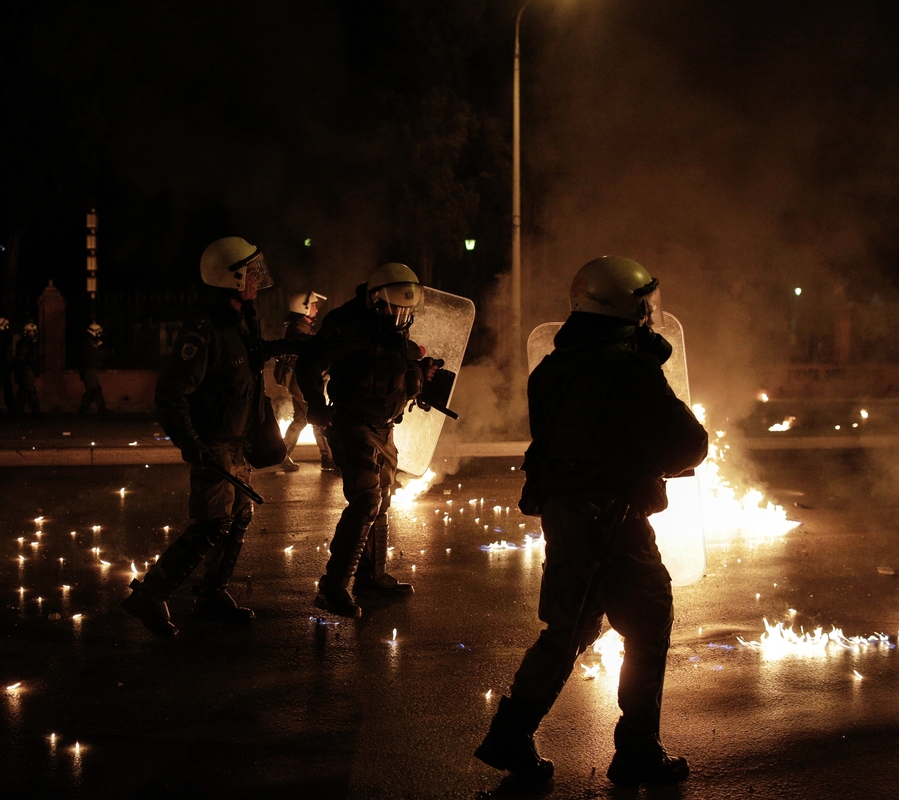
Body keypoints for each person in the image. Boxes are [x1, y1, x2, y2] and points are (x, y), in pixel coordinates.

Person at [474, 256, 708, 788]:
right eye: (644, 302)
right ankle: (636, 754)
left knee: (569, 627)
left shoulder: (554, 366)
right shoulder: (625, 368)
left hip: (568, 515)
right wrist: (651, 368)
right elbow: (685, 445)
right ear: (626, 306)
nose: (651, 311)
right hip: (615, 520)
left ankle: (512, 738)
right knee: (647, 625)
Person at [122, 236, 282, 637]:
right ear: (233, 277)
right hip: (213, 442)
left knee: (239, 515)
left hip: (235, 442)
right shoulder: (204, 330)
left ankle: (211, 595)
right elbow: (171, 394)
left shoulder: (242, 319)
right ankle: (149, 595)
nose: (258, 277)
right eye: (251, 270)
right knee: (212, 524)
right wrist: (192, 445)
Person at [298, 263, 439, 619]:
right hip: (351, 423)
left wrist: (420, 379)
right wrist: (315, 404)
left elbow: (394, 371)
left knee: (383, 499)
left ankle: (370, 577)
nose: (400, 315)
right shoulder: (349, 326)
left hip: (384, 427)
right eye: (393, 307)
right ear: (376, 300)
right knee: (366, 499)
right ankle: (332, 587)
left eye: (406, 309)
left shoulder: (395, 330)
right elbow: (309, 363)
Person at [275, 290, 335, 472]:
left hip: (298, 380)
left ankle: (282, 455)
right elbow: (313, 346)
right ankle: (329, 459)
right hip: (301, 380)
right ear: (304, 307)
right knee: (318, 415)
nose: (316, 309)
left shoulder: (302, 327)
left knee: (300, 419)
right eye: (313, 305)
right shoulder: (299, 329)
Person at [79, 322, 112, 416]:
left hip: (90, 369)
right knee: (95, 389)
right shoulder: (87, 344)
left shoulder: (91, 342)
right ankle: (101, 409)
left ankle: (83, 409)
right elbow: (97, 354)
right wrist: (108, 352)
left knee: (91, 390)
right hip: (88, 369)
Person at [13, 322, 43, 418]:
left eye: (34, 332)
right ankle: (36, 412)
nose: (32, 334)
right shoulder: (24, 343)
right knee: (30, 391)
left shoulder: (32, 343)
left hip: (28, 369)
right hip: (26, 369)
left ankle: (17, 411)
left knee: (23, 391)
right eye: (30, 332)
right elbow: (21, 358)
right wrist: (24, 369)